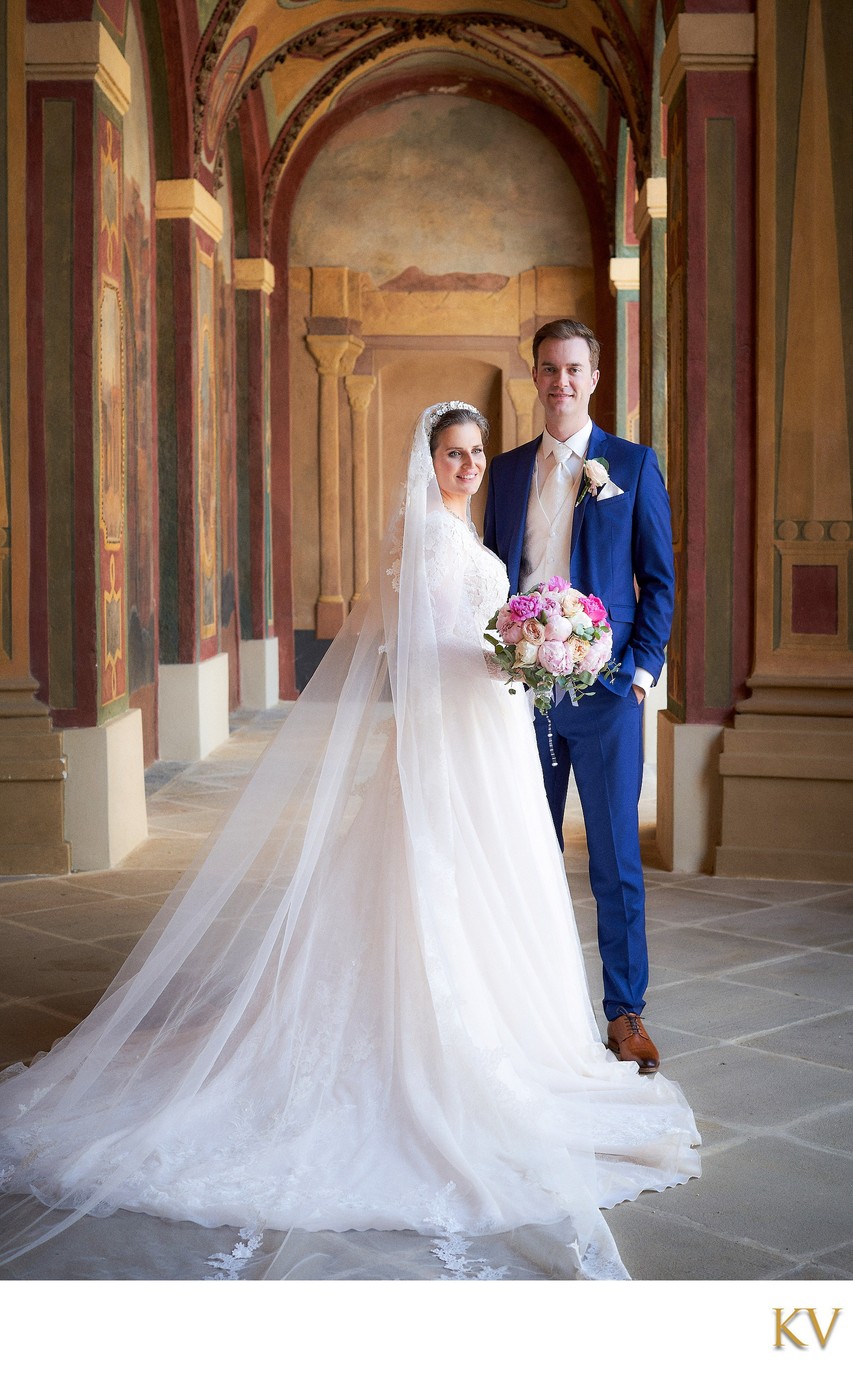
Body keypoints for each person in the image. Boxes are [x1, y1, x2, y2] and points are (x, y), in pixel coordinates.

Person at [0, 403, 698, 1282]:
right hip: (452, 741)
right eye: (454, 454)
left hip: (487, 736)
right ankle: (433, 1041)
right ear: (429, 460)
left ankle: (525, 1028)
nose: (471, 466)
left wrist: (531, 647)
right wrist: (518, 652)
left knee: (505, 884)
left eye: (477, 453)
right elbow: (427, 650)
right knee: (434, 885)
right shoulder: (430, 547)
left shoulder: (462, 532)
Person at [485, 320, 674, 1075]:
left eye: (572, 369)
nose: (559, 381)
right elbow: (495, 574)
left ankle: (624, 1013)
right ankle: (523, 1008)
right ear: (533, 377)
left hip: (604, 691)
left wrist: (637, 672)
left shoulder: (630, 464)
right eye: (547, 369)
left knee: (614, 860)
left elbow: (656, 581)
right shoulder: (502, 473)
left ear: (593, 377)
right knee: (520, 853)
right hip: (519, 694)